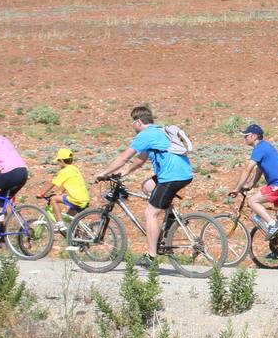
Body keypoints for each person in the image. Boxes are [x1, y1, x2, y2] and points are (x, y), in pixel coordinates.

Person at [93, 105, 193, 259]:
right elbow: (141, 159)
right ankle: (171, 218)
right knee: (147, 186)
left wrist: (103, 173)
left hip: (171, 176)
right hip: (184, 173)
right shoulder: (158, 131)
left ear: (138, 122)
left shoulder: (145, 135)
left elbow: (123, 158)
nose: (132, 126)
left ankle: (151, 255)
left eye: (132, 122)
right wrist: (126, 171)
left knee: (150, 213)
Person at [230, 124, 278, 236]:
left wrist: (237, 188)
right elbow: (259, 169)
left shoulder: (260, 148)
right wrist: (250, 184)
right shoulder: (265, 146)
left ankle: (271, 223)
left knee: (252, 201)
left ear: (254, 136)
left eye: (246, 136)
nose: (244, 138)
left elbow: (247, 169)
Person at [41, 147, 90, 229]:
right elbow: (67, 183)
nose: (58, 163)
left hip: (76, 199)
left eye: (58, 161)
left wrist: (42, 193)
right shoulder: (74, 169)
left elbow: (53, 183)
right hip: (84, 199)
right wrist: (60, 193)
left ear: (62, 161)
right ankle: (80, 236)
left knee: (53, 199)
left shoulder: (64, 171)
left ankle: (60, 222)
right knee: (69, 219)